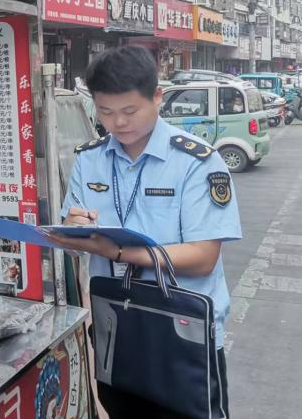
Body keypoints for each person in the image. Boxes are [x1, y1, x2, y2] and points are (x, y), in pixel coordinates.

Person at [49, 47, 241, 419]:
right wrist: (73, 228)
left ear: (157, 97)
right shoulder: (89, 159)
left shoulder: (196, 162)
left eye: (129, 110)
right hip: (114, 323)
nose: (118, 123)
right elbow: (75, 241)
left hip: (181, 328)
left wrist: (119, 253)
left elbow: (203, 257)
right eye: (105, 112)